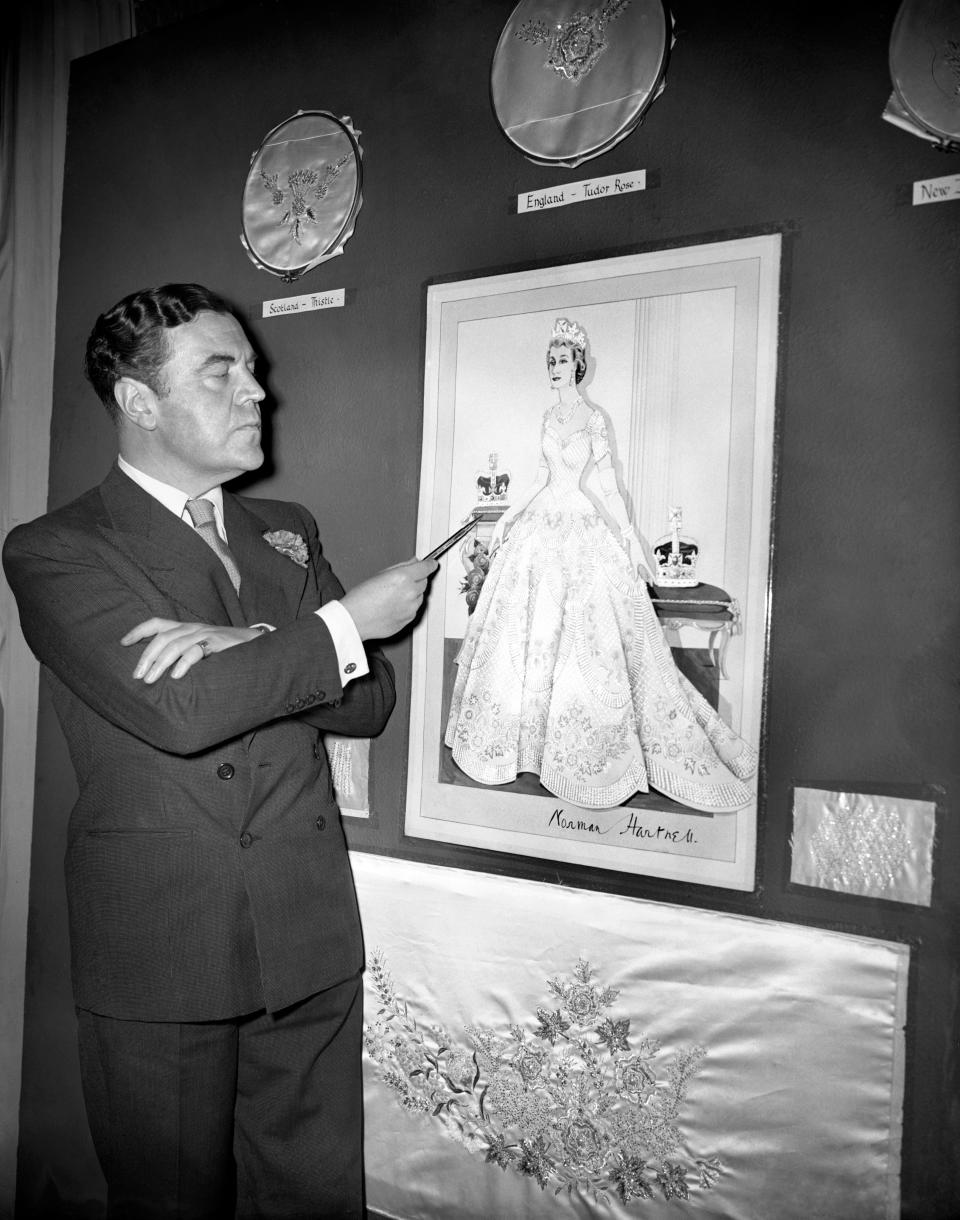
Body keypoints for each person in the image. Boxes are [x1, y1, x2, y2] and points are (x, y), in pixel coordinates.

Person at [2, 283, 437, 1218]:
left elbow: (368, 707)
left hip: (306, 932)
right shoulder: (56, 550)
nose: (257, 392)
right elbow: (185, 712)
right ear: (138, 401)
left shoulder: (285, 528)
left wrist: (253, 643)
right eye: (221, 370)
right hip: (164, 948)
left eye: (252, 368)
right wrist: (342, 622)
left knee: (312, 1201)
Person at [444, 317, 757, 813]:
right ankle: (525, 745)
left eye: (563, 360)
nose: (555, 368)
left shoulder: (593, 418)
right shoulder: (547, 419)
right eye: (550, 361)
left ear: (579, 366)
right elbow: (540, 477)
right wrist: (508, 518)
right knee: (531, 633)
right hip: (542, 522)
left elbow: (608, 482)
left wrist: (630, 538)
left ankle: (585, 752)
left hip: (582, 523)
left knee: (584, 635)